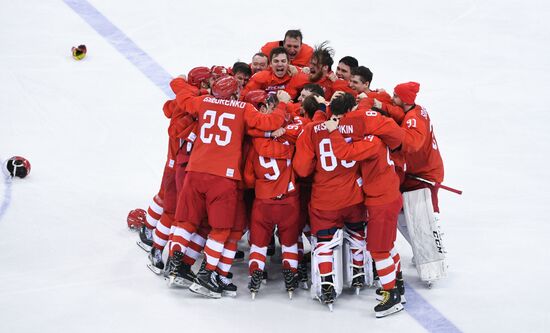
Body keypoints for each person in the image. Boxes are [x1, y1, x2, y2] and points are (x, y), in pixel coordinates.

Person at [167, 75, 290, 298]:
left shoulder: (204, 102)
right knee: (222, 229)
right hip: (223, 178)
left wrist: (179, 81)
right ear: (234, 93)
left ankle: (175, 266)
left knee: (186, 222)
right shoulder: (243, 108)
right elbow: (270, 122)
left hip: (195, 172)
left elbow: (183, 98)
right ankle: (207, 275)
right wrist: (282, 105)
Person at [324, 92, 406, 318]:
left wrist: (332, 131)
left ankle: (392, 296)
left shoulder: (371, 142)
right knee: (387, 247)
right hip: (386, 196)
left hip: (382, 200)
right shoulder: (374, 137)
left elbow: (344, 152)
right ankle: (397, 286)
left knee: (378, 250)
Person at [390, 82, 446, 286]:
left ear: (404, 100)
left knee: (425, 218)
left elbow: (412, 143)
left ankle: (431, 257)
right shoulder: (417, 109)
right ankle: (423, 249)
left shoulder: (413, 120)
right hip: (420, 173)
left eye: (395, 96)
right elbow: (398, 113)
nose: (392, 98)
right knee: (402, 215)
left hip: (423, 177)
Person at [285, 41, 354, 101]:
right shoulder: (302, 76)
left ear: (325, 67)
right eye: (310, 63)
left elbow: (355, 98)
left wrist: (336, 83)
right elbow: (286, 99)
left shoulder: (334, 82)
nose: (311, 66)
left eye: (315, 64)